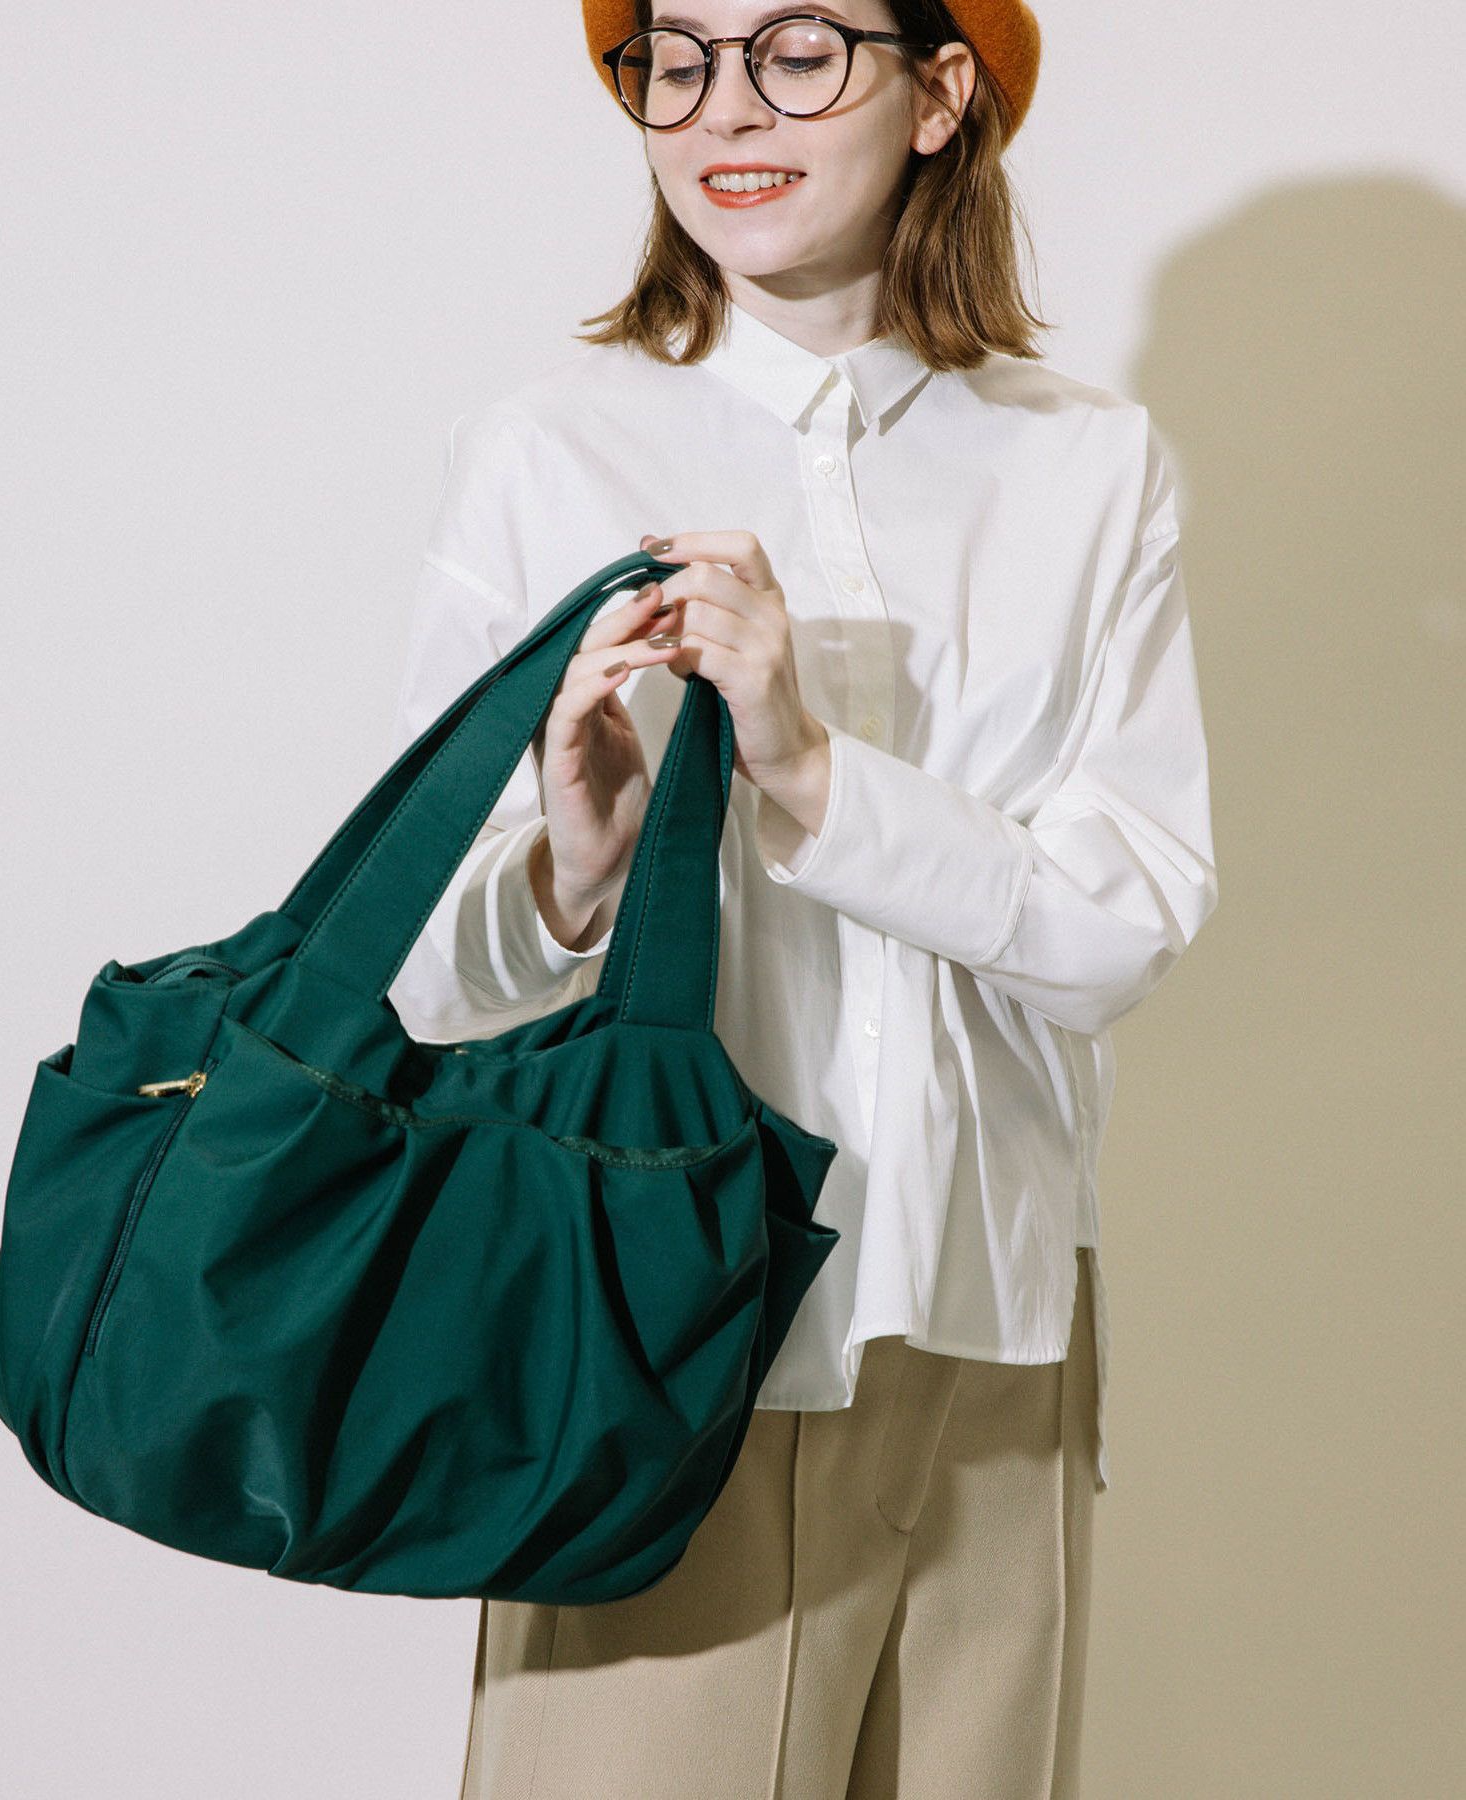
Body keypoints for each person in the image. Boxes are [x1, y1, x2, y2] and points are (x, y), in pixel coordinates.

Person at [384, 2, 1218, 1794]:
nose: (723, 110)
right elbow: (426, 975)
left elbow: (1121, 933)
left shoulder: (1089, 467)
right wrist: (578, 864)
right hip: (656, 1325)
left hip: (993, 1332)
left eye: (795, 50)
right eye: (675, 60)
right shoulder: (551, 455)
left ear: (942, 89)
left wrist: (816, 773)